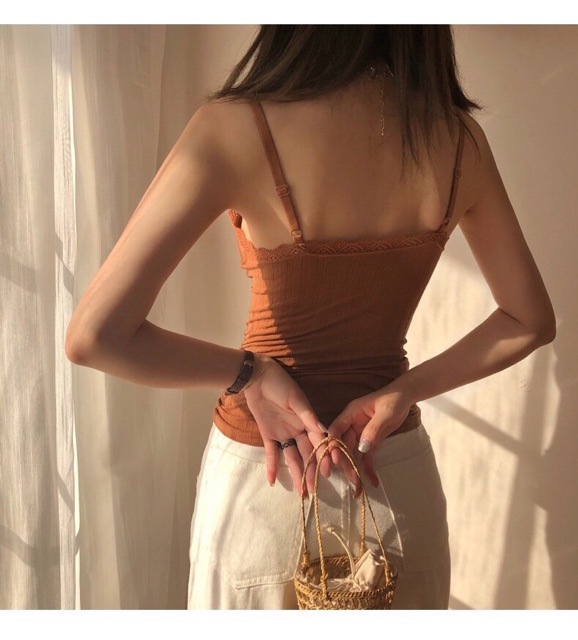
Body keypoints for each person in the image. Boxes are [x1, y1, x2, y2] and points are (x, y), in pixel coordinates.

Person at [65, 25, 556, 609]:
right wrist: (402, 390)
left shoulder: (235, 126)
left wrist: (250, 373)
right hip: (395, 483)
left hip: (270, 483)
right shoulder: (457, 139)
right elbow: (529, 319)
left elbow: (94, 336)